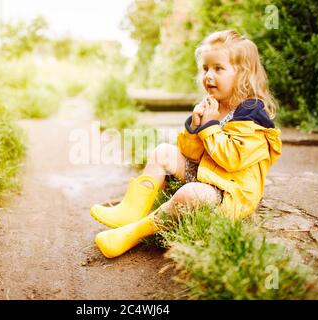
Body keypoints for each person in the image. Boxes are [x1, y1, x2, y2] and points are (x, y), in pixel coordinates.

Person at [90, 29, 282, 258]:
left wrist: (209, 127)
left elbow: (232, 160)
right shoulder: (215, 105)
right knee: (163, 152)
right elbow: (190, 153)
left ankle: (135, 233)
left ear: (242, 74)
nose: (209, 76)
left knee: (189, 194)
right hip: (208, 173)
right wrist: (195, 125)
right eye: (206, 69)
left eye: (218, 69)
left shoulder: (252, 114)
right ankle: (131, 210)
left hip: (231, 192)